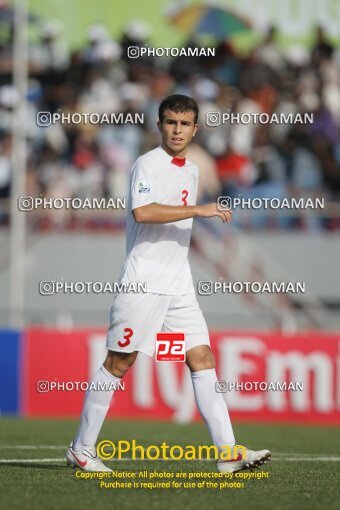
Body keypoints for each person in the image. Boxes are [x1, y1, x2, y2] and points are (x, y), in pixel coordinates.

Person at [66, 94, 271, 473]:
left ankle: (228, 454)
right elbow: (143, 212)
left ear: (195, 128)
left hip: (179, 283)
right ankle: (81, 448)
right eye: (171, 122)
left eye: (184, 123)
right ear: (160, 125)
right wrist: (199, 208)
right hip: (143, 282)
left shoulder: (191, 170)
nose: (177, 130)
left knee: (202, 357)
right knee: (119, 362)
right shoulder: (147, 164)